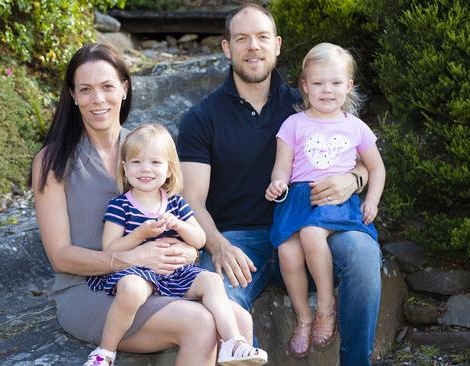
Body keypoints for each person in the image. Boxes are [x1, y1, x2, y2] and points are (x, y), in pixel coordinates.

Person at [177, 4, 382, 366]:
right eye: (242, 38)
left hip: (317, 225)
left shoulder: (307, 101)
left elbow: (365, 160)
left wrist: (353, 179)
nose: (253, 47)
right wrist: (218, 245)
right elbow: (192, 198)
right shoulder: (202, 118)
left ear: (277, 45)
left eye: (262, 37)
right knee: (218, 298)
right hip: (240, 239)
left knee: (364, 254)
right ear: (227, 48)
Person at [32, 43, 256, 366]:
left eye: (107, 87)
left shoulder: (147, 148)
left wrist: (188, 252)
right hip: (91, 291)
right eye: (86, 89)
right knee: (202, 325)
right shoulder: (53, 162)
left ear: (124, 89)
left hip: (156, 279)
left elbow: (176, 216)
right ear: (73, 95)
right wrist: (129, 258)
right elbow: (60, 257)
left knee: (242, 322)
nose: (98, 99)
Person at [84, 124, 268, 366]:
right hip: (139, 271)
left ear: (170, 170)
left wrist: (181, 227)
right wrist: (140, 233)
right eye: (136, 162)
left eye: (155, 162)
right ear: (125, 168)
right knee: (131, 288)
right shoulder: (121, 205)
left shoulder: (176, 203)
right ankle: (105, 351)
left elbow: (200, 240)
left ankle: (233, 343)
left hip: (175, 272)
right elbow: (110, 248)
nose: (145, 169)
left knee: (212, 281)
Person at [264, 42, 386, 358]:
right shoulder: (293, 124)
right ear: (304, 86)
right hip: (298, 200)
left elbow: (376, 168)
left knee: (311, 234)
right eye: (317, 83)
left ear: (349, 86)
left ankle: (326, 309)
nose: (326, 90)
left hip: (334, 201)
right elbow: (282, 164)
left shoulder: (356, 127)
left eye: (335, 83)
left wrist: (371, 200)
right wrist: (278, 182)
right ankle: (304, 317)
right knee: (288, 252)